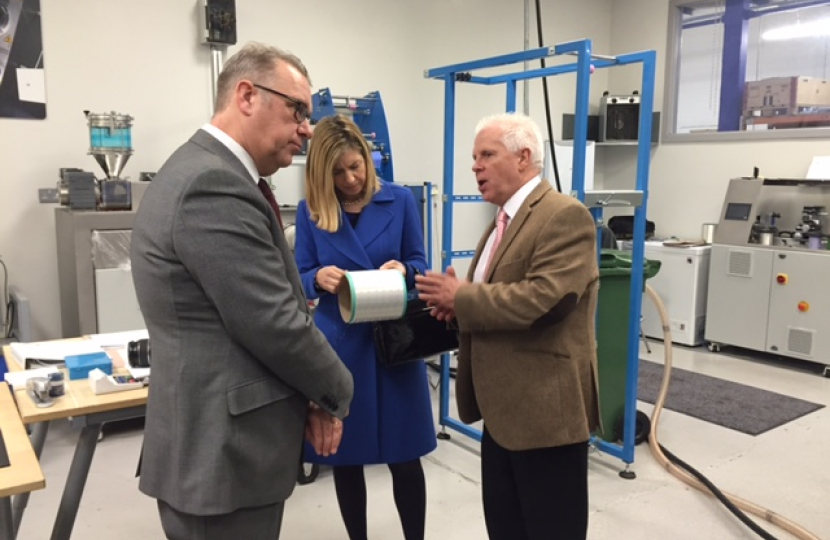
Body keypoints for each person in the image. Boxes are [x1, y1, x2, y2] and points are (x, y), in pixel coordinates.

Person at [130, 42, 354, 540]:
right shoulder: (213, 184)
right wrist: (336, 391)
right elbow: (274, 323)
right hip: (221, 455)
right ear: (247, 95)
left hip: (217, 444)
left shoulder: (206, 170)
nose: (308, 129)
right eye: (298, 110)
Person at [415, 112, 601, 540]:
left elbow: (547, 300)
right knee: (506, 528)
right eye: (473, 157)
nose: (475, 166)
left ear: (523, 157)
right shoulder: (503, 222)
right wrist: (457, 309)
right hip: (503, 415)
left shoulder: (563, 216)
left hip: (545, 419)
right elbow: (496, 301)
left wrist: (463, 298)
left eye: (487, 155)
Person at [294, 114, 436, 540]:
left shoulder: (400, 200)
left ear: (368, 159)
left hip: (395, 343)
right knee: (346, 457)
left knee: (405, 457)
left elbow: (420, 262)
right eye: (338, 172)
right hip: (341, 346)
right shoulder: (312, 212)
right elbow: (298, 274)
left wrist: (405, 270)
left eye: (355, 167)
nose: (350, 179)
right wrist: (316, 278)